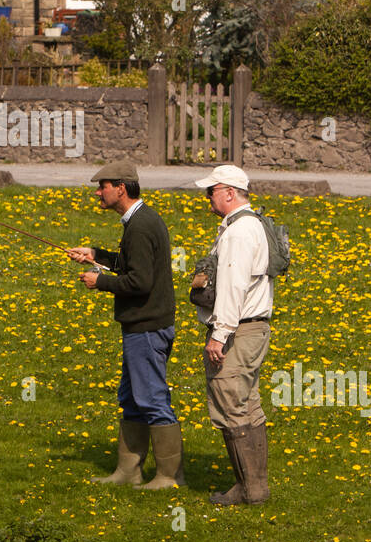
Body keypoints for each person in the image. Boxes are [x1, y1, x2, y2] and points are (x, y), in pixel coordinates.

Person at [67, 161, 183, 489]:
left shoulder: (142, 225)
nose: (97, 192)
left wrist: (99, 281)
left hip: (147, 327)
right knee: (132, 398)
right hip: (139, 326)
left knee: (152, 398)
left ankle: (169, 477)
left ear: (121, 187)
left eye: (102, 185)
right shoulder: (138, 221)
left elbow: (140, 282)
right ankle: (128, 471)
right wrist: (96, 254)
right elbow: (131, 264)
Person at [192, 164, 271, 505]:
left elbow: (232, 288)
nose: (207, 198)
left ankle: (249, 490)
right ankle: (255, 487)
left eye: (211, 191)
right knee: (248, 406)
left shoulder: (239, 232)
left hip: (238, 330)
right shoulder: (253, 225)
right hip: (254, 328)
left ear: (229, 193)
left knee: (230, 407)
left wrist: (218, 335)